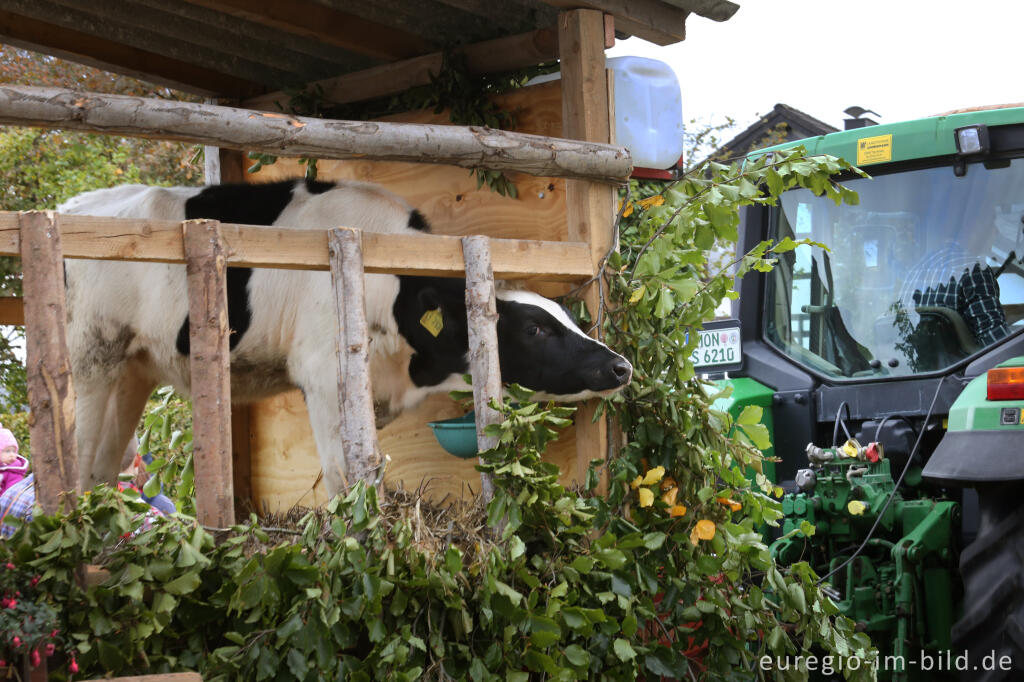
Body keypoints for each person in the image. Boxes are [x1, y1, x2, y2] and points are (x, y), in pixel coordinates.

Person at [0, 425, 28, 498]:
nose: (12, 455)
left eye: (14, 451)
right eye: (7, 451)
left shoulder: (14, 471)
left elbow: (11, 493)